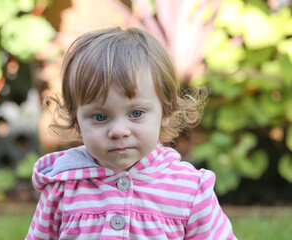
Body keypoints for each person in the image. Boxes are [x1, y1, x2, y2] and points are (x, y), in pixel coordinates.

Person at [26, 27, 237, 240]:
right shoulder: (64, 187)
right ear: (76, 121)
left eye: (136, 113)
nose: (118, 131)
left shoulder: (189, 190)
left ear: (166, 110)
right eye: (100, 117)